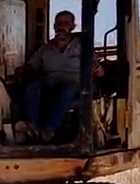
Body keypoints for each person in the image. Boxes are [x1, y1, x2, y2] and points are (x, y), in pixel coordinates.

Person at [20, 9, 104, 144]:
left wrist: (96, 69)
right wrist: (25, 72)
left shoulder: (82, 47)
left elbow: (100, 72)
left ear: (72, 26)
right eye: (58, 23)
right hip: (50, 84)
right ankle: (32, 127)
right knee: (32, 87)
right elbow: (32, 66)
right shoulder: (45, 48)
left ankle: (49, 129)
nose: (61, 26)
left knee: (67, 89)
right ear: (54, 26)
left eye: (65, 23)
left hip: (75, 85)